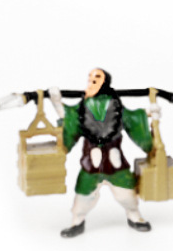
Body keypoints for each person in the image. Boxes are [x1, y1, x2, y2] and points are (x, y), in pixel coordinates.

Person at [49, 68, 154, 237]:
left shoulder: (116, 105)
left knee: (127, 193)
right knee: (83, 195)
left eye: (97, 77)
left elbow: (131, 118)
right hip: (91, 163)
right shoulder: (82, 107)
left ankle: (134, 216)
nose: (91, 81)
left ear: (105, 82)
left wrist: (147, 113)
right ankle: (77, 222)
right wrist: (57, 103)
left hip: (115, 161)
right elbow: (70, 117)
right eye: (90, 77)